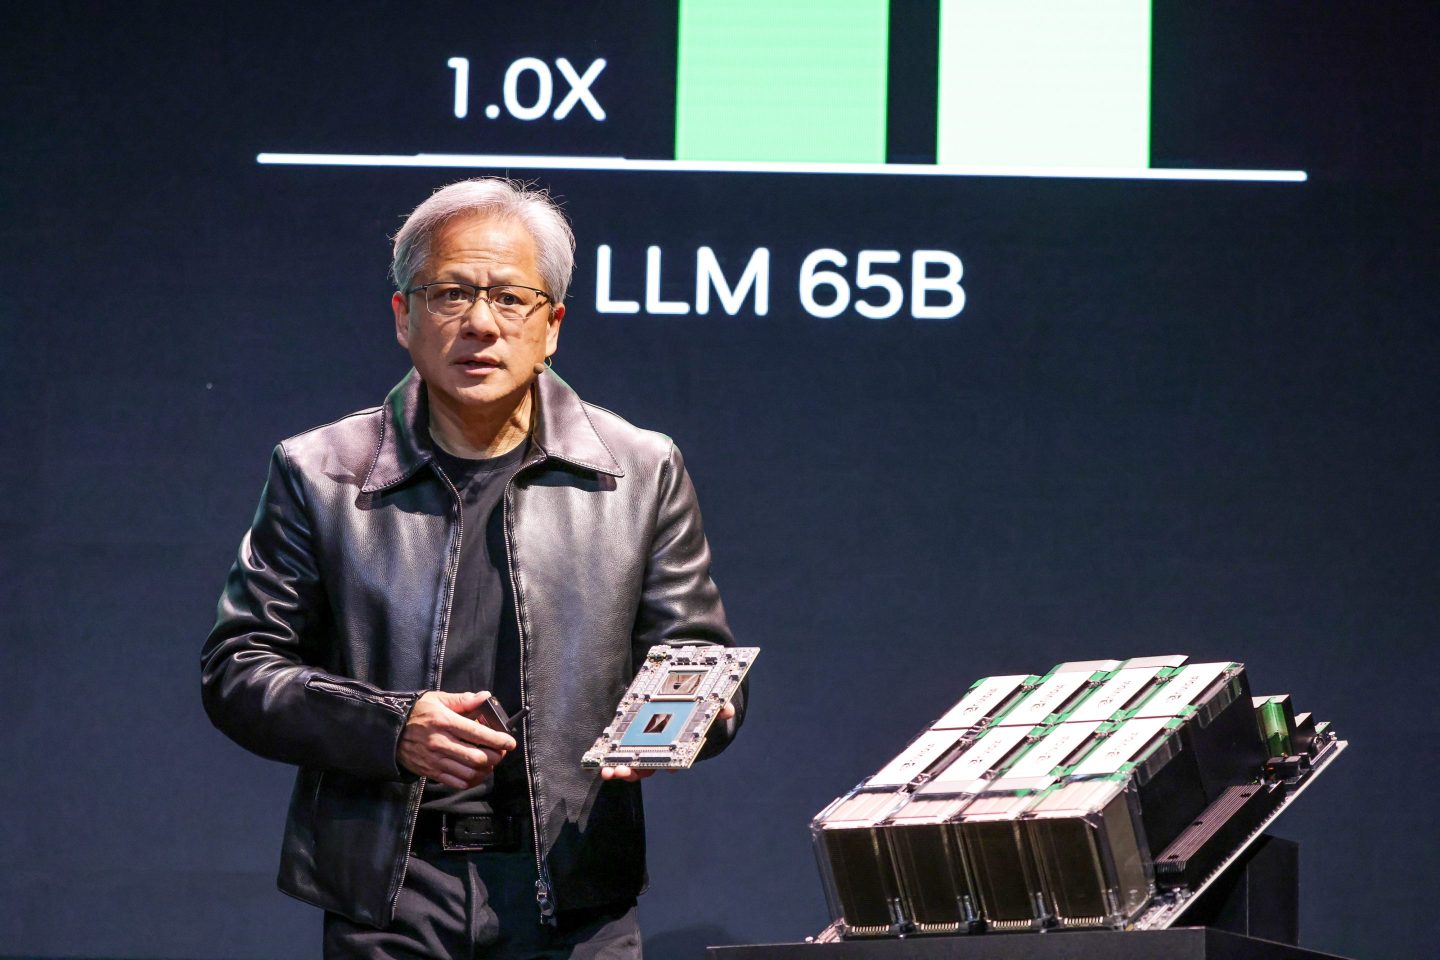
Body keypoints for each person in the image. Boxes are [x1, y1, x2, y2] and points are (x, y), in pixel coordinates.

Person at [201, 178, 745, 958]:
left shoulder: (638, 468)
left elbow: (699, 655)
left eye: (511, 298)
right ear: (403, 318)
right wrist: (390, 728)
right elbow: (238, 670)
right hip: (394, 889)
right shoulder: (319, 472)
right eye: (451, 294)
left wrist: (702, 717)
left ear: (552, 324)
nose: (481, 323)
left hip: (574, 889)